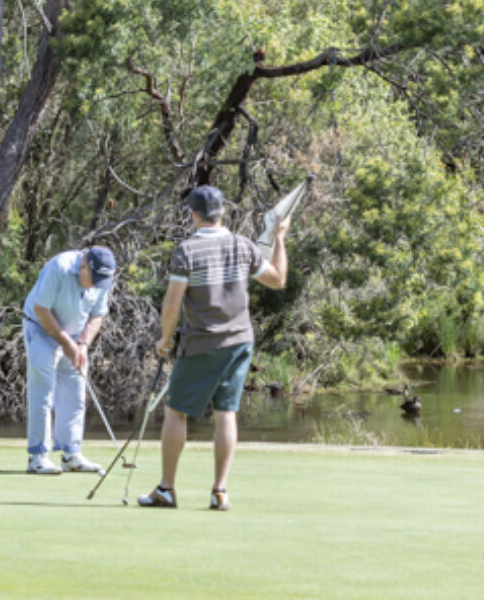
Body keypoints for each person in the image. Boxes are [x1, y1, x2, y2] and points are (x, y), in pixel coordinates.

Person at [140, 185, 289, 510]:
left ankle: (166, 489)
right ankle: (220, 492)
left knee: (176, 411)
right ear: (222, 211)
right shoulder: (243, 246)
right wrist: (279, 238)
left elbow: (172, 304)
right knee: (226, 413)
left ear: (193, 214)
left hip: (201, 342)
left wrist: (165, 340)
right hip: (239, 341)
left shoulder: (187, 251)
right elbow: (278, 279)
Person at [22, 246, 117, 475]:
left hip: (75, 335)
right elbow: (41, 309)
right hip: (40, 327)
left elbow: (97, 315)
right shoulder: (60, 267)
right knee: (43, 391)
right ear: (83, 267)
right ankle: (38, 457)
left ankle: (71, 454)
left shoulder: (102, 277)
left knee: (75, 392)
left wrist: (82, 344)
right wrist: (67, 344)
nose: (95, 286)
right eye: (93, 280)